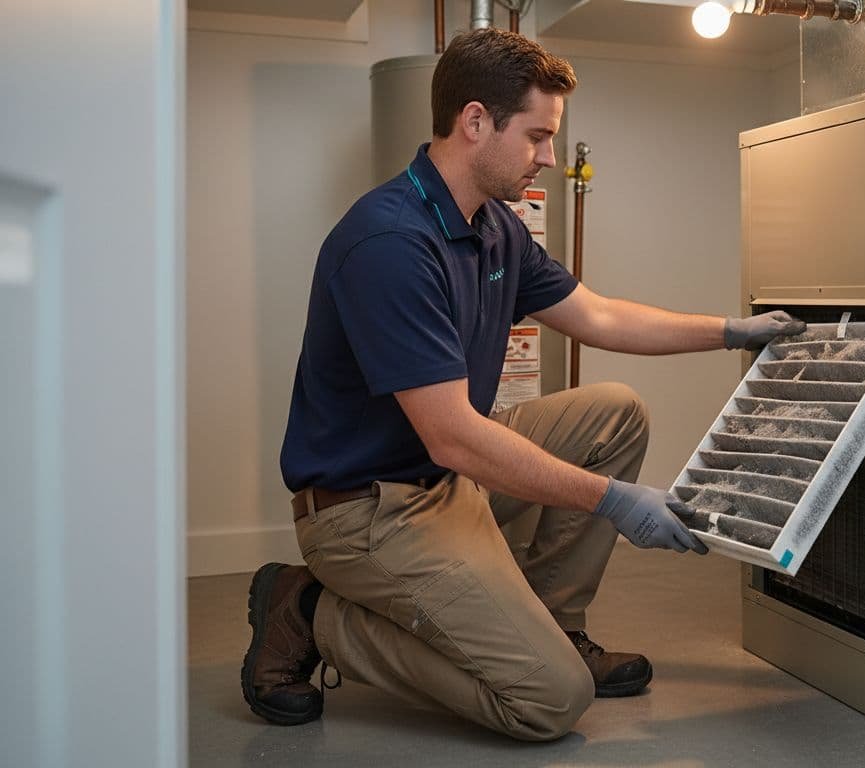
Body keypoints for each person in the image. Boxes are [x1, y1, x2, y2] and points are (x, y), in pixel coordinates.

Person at [239, 28, 803, 741]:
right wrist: (615, 501)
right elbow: (452, 436)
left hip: (443, 478)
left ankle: (554, 627)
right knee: (549, 701)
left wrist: (728, 329)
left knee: (614, 414)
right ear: (475, 122)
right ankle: (312, 610)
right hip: (368, 510)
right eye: (538, 136)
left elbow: (595, 315)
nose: (549, 157)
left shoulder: (497, 227)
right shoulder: (389, 244)